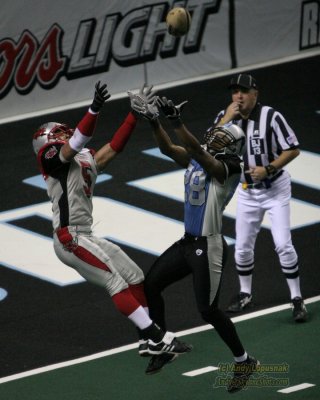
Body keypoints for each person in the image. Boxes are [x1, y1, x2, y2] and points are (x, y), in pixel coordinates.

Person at [32, 81, 192, 361]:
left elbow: (112, 149)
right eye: (59, 132)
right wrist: (94, 109)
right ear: (49, 139)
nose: (66, 132)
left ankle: (147, 343)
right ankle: (158, 338)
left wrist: (133, 115)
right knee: (115, 282)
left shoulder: (79, 158)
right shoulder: (50, 158)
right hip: (70, 237)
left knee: (134, 276)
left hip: (85, 235)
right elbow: (78, 140)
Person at [129, 89, 259, 393]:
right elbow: (168, 149)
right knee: (151, 285)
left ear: (234, 147)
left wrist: (176, 121)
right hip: (188, 243)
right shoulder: (201, 155)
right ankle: (162, 347)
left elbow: (201, 155)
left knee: (208, 310)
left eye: (223, 139)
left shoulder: (229, 168)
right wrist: (153, 122)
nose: (215, 140)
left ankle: (244, 360)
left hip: (210, 246)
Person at [214, 73, 307, 322]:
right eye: (235, 91)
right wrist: (225, 119)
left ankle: (297, 299)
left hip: (275, 189)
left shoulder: (271, 117)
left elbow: (293, 148)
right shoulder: (226, 119)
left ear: (256, 93)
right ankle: (245, 293)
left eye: (243, 91)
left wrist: (269, 168)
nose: (239, 96)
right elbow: (210, 146)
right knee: (242, 248)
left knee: (283, 244)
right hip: (248, 192)